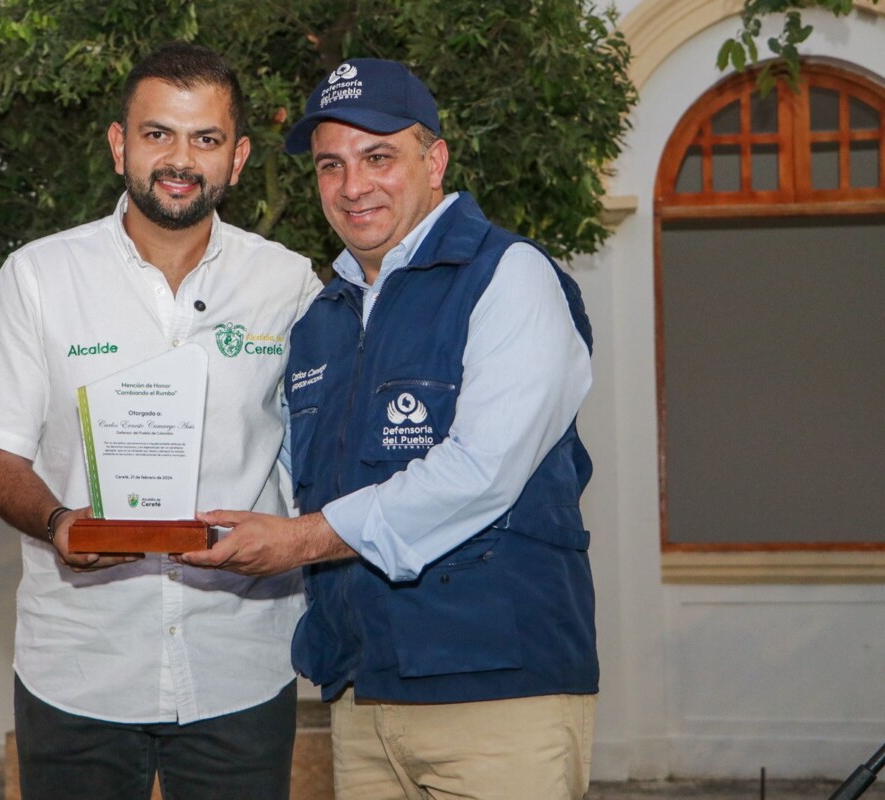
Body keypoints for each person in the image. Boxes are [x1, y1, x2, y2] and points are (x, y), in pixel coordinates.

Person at [181, 58, 598, 800]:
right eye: (330, 165)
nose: (353, 186)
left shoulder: (509, 275)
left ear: (433, 161)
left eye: (379, 157)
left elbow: (481, 473)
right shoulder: (321, 322)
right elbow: (286, 481)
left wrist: (298, 540)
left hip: (498, 694)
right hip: (363, 696)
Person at [0, 42, 321, 800]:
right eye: (158, 134)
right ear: (120, 146)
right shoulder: (40, 277)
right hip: (79, 667)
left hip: (239, 665)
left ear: (238, 158)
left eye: (205, 139)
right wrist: (57, 524)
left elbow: (320, 450)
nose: (180, 160)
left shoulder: (288, 285)